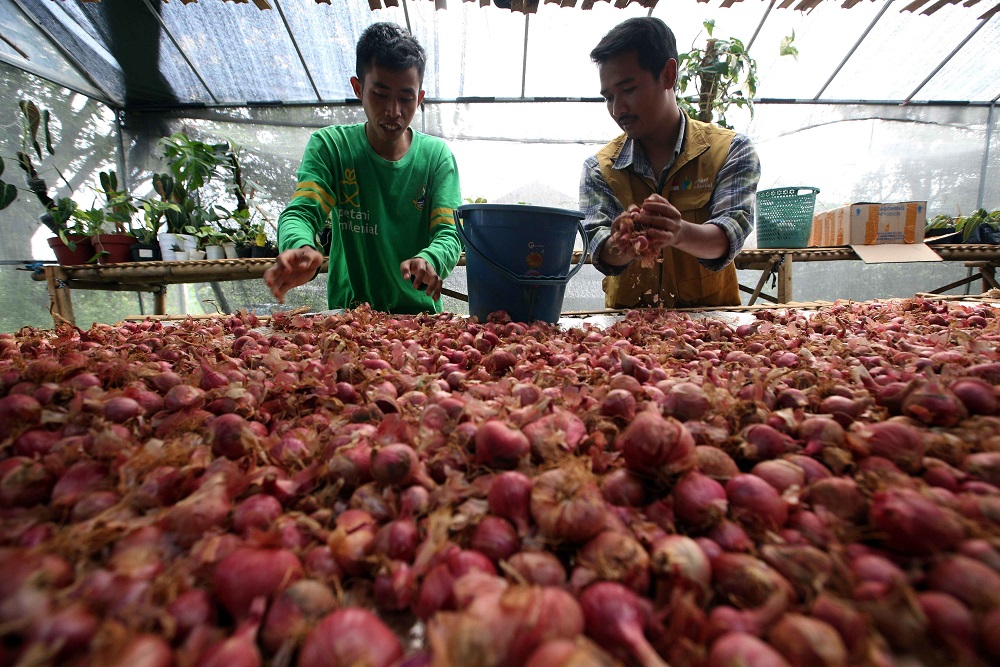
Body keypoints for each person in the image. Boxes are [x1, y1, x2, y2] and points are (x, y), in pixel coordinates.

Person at [264, 22, 462, 314]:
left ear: (419, 98)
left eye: (406, 98)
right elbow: (302, 211)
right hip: (349, 321)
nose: (393, 111)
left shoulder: (436, 158)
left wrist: (431, 259)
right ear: (358, 88)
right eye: (380, 95)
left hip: (419, 322)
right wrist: (300, 246)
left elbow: (449, 232)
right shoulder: (332, 148)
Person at [581, 17, 760, 310]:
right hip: (626, 334)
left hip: (710, 331)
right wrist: (623, 244)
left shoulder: (729, 151)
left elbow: (731, 231)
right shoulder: (600, 167)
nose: (618, 109)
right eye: (609, 97)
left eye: (628, 90)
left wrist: (679, 232)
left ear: (668, 75)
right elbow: (600, 247)